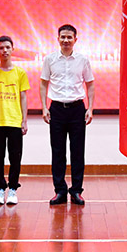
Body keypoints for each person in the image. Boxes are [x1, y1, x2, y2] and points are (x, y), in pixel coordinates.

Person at [40, 24, 95, 205]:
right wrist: (44, 107)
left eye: (69, 37)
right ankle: (60, 191)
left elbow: (90, 84)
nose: (66, 40)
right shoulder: (49, 59)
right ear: (58, 39)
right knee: (58, 152)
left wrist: (90, 108)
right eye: (63, 37)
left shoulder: (83, 60)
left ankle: (76, 190)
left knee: (77, 151)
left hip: (77, 109)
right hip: (56, 109)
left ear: (75, 40)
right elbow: (43, 84)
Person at [0, 36, 30, 205]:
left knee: (15, 157)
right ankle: (0, 189)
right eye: (1, 48)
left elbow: (23, 97)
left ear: (12, 49)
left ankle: (13, 189)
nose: (5, 50)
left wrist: (24, 120)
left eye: (7, 47)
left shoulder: (20, 73)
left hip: (14, 121)